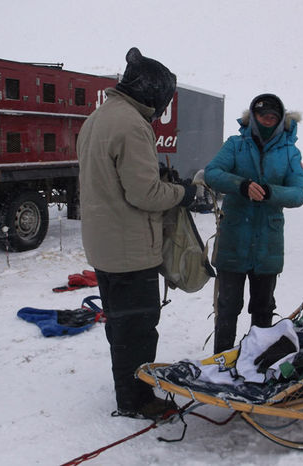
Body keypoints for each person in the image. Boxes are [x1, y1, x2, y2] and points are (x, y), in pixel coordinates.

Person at [77, 47, 196, 420]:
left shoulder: (97, 119)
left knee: (121, 324)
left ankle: (125, 388)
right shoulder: (132, 125)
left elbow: (114, 183)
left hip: (104, 247)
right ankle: (137, 400)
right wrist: (183, 192)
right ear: (152, 94)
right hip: (130, 251)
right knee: (140, 328)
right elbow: (145, 195)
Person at [204, 93, 303, 354]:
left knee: (263, 309)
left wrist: (271, 192)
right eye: (263, 115)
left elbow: (300, 192)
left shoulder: (290, 153)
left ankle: (255, 361)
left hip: (268, 247)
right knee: (228, 307)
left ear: (280, 119)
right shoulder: (235, 145)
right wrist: (241, 185)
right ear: (253, 117)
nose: (267, 120)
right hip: (233, 242)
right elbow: (212, 173)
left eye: (273, 116)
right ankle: (222, 360)